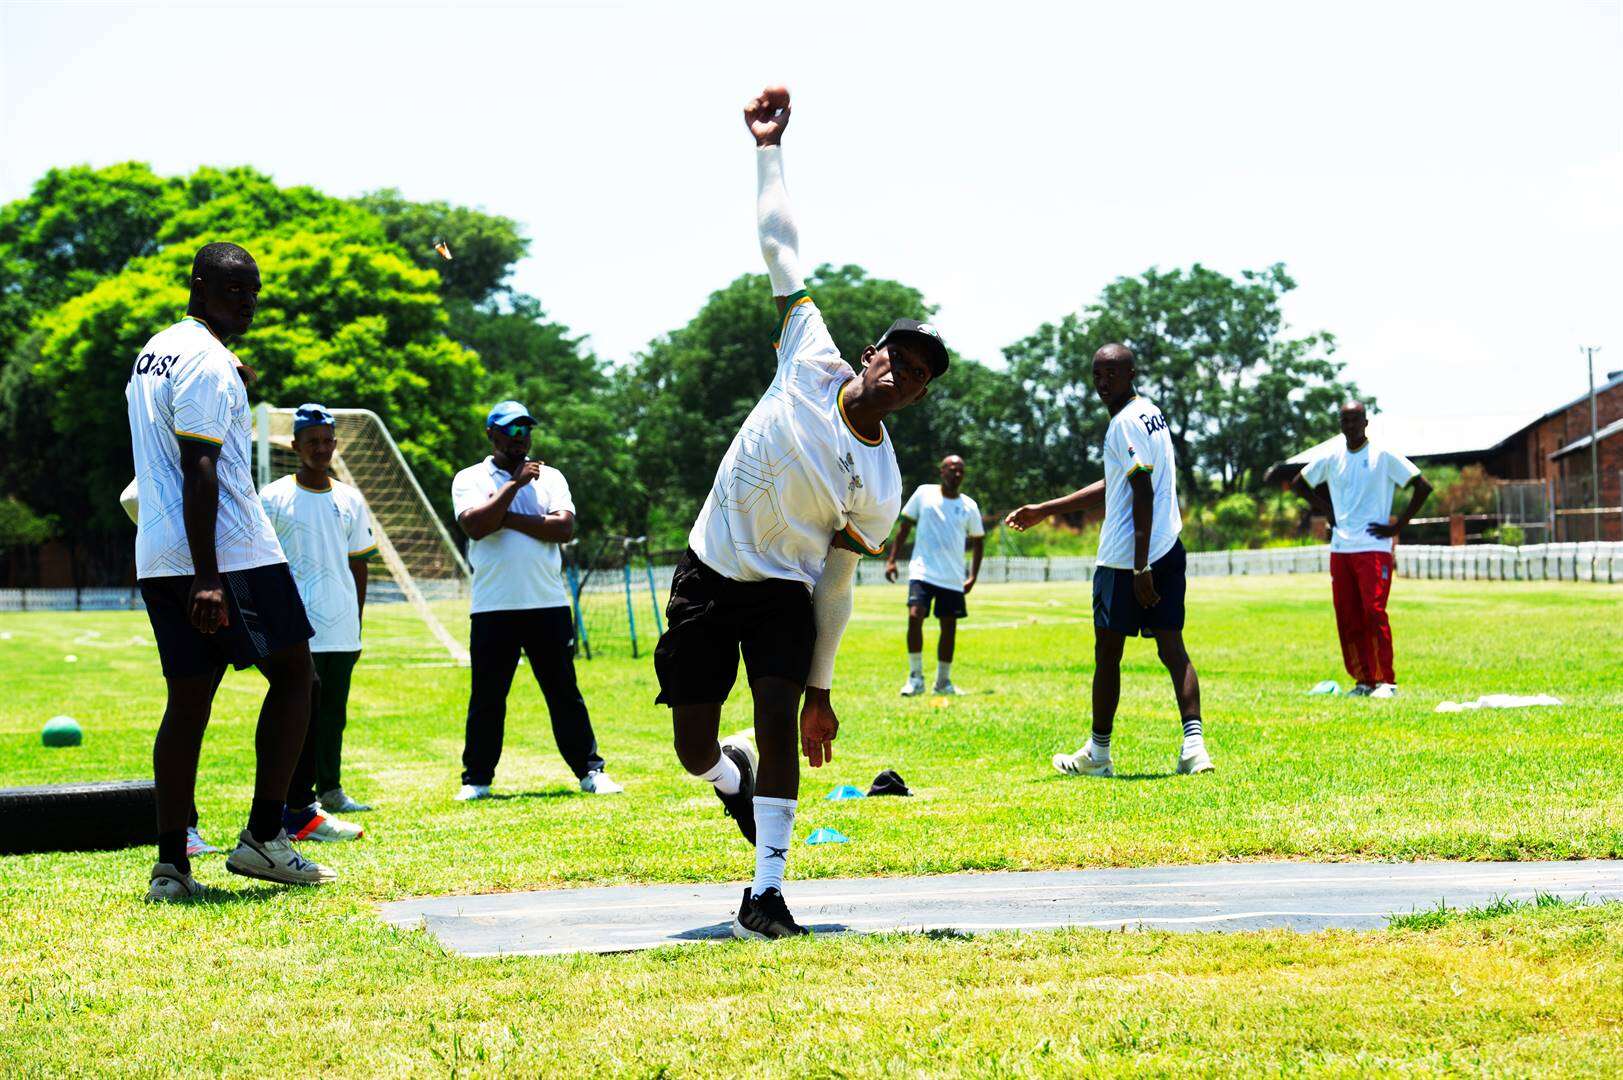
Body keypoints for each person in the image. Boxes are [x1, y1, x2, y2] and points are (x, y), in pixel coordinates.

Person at [653, 85, 948, 940]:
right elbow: (779, 239)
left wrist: (822, 688)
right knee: (692, 748)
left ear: (919, 397)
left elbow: (840, 587)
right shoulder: (807, 351)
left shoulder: (881, 485)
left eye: (922, 376)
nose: (906, 375)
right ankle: (728, 779)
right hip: (709, 569)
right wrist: (766, 147)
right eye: (901, 357)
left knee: (780, 719)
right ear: (871, 354)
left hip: (782, 591)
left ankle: (768, 893)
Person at [126, 241, 335, 900]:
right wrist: (210, 576)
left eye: (253, 291)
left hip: (159, 552)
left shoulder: (154, 351)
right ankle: (264, 838)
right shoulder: (212, 364)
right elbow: (200, 467)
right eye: (233, 290)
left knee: (187, 701)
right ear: (198, 286)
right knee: (298, 676)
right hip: (230, 553)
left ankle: (170, 866)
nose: (245, 302)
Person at [1006, 344, 1213, 778]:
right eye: (1097, 374)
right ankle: (1194, 750)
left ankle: (1098, 755)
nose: (1103, 383)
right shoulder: (1150, 412)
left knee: (1109, 655)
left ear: (1131, 372)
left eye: (1112, 374)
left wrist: (1140, 568)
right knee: (1172, 648)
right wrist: (1047, 509)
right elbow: (1119, 480)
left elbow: (1142, 491)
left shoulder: (1123, 423)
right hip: (1168, 546)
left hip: (1126, 560)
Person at [450, 400, 621, 799]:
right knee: (488, 697)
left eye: (525, 429)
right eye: (510, 430)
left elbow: (562, 528)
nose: (519, 437)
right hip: (493, 606)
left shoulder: (552, 477)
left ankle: (590, 772)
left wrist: (503, 516)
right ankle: (477, 780)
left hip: (547, 604)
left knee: (564, 693)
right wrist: (514, 488)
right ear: (491, 434)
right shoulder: (470, 478)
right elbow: (475, 526)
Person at [259, 403, 378, 837]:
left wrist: (357, 622)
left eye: (328, 441)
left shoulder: (349, 498)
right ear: (295, 446)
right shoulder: (272, 498)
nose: (322, 448)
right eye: (313, 442)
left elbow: (359, 565)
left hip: (341, 625)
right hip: (296, 628)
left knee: (333, 715)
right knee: (299, 716)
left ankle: (331, 791)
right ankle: (296, 799)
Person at [1290, 401, 1432, 698]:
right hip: (1341, 548)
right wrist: (1327, 510)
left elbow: (1422, 486)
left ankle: (1386, 682)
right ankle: (1364, 680)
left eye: (1355, 420)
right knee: (1348, 615)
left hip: (1373, 547)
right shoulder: (1332, 457)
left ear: (1366, 422)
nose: (1350, 426)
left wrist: (1397, 527)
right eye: (1345, 420)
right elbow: (1298, 484)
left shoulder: (1383, 455)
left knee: (1373, 611)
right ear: (1340, 424)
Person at [885, 455, 985, 696]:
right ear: (942, 471)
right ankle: (915, 677)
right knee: (915, 615)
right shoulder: (923, 494)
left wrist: (972, 576)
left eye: (961, 470)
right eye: (952, 469)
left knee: (948, 627)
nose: (956, 474)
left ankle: (943, 682)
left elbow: (979, 541)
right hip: (923, 570)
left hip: (951, 576)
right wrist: (891, 560)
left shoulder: (969, 505)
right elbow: (904, 529)